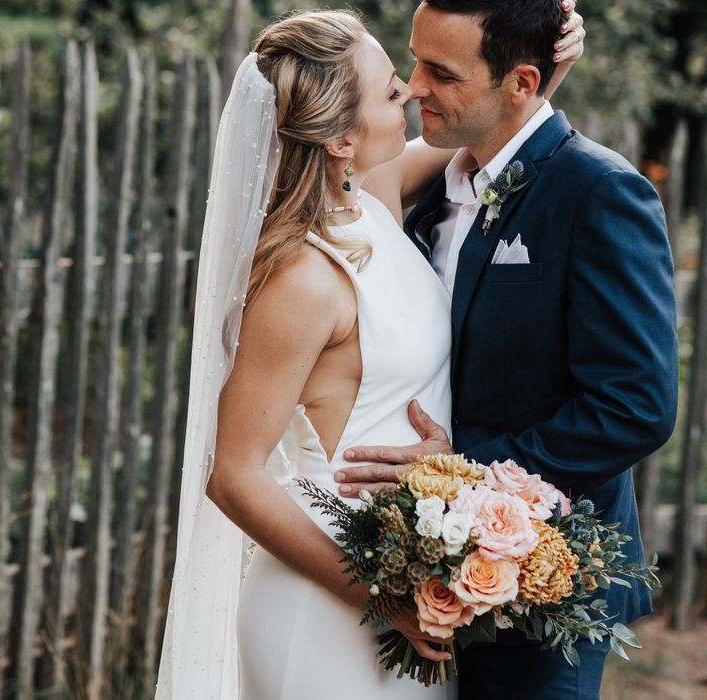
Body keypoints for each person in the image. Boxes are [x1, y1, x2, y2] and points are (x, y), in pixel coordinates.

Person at [155, 6, 584, 699]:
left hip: (409, 590)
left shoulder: (372, 200)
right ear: (340, 141)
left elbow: (497, 128)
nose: (414, 90)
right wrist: (377, 598)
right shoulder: (303, 281)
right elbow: (234, 475)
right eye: (392, 89)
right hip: (324, 603)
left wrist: (538, 69)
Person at [333, 1, 679, 699]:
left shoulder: (599, 193)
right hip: (419, 574)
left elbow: (636, 405)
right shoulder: (438, 185)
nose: (415, 85)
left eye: (440, 71)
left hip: (544, 580)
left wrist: (464, 475)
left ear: (521, 84)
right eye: (414, 58)